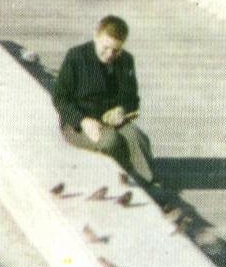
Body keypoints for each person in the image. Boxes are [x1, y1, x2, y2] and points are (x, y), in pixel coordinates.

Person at [53, 15, 156, 187]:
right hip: (78, 124)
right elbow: (60, 98)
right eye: (105, 47)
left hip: (111, 121)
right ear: (96, 36)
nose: (109, 54)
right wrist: (83, 120)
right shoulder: (76, 57)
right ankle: (132, 179)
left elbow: (132, 99)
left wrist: (122, 111)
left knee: (138, 138)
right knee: (111, 141)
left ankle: (148, 183)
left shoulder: (126, 61)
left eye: (116, 50)